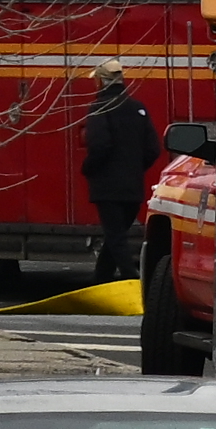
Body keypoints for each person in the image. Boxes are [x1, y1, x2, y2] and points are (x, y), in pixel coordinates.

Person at [77, 74, 162, 286]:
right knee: (116, 235)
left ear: (100, 82)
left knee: (116, 236)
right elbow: (152, 148)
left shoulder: (100, 108)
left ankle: (133, 280)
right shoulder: (137, 108)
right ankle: (101, 279)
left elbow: (99, 146)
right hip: (133, 186)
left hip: (107, 186)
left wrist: (88, 169)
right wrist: (133, 168)